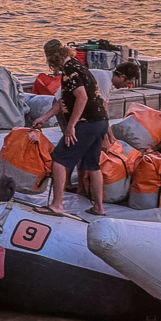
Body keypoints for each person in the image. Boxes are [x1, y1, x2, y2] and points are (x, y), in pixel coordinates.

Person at [31, 39, 110, 217]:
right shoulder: (78, 66)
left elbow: (81, 97)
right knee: (92, 164)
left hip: (86, 123)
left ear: (53, 58)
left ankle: (57, 205)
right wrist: (44, 118)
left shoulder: (69, 71)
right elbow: (63, 101)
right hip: (100, 122)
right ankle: (99, 207)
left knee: (59, 159)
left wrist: (71, 126)